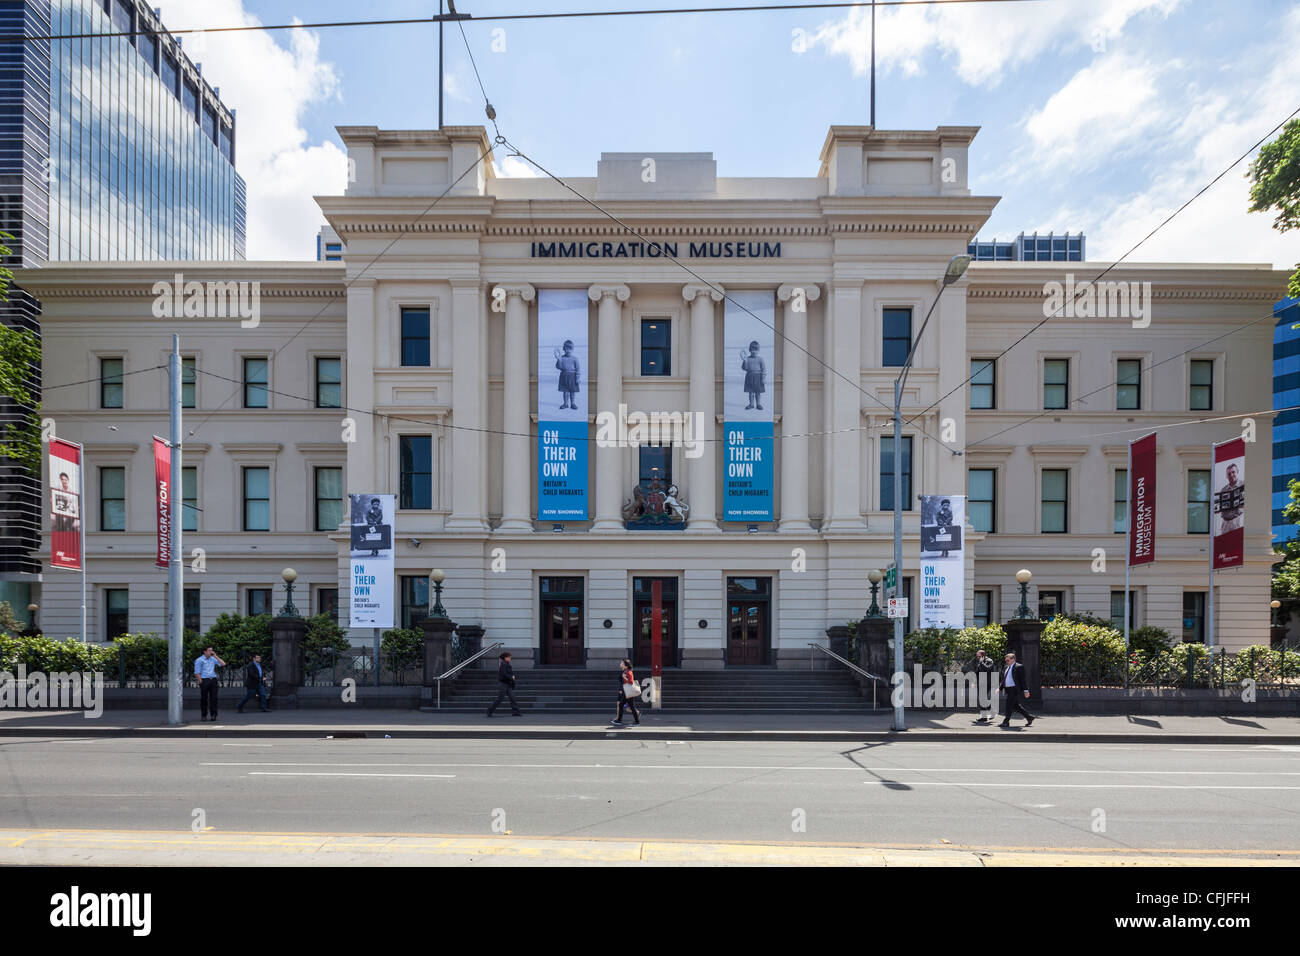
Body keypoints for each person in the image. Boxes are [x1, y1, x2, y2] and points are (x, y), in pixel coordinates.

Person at [998, 652, 1035, 728]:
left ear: (1013, 659)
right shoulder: (1006, 667)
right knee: (1015, 706)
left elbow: (1023, 680)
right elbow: (1004, 679)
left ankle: (1006, 722)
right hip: (1008, 689)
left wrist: (1026, 691)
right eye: (1006, 660)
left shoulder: (1019, 667)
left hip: (1014, 689)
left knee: (1008, 706)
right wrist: (1000, 688)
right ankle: (1029, 717)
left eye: (1008, 660)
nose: (1006, 662)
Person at [193, 645, 226, 721]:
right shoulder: (199, 660)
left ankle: (213, 715)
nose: (211, 652)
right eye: (209, 650)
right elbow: (196, 672)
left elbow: (223, 664)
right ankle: (204, 715)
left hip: (213, 680)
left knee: (214, 698)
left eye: (212, 650)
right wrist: (201, 682)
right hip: (205, 680)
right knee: (204, 699)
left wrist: (216, 656)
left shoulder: (213, 659)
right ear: (205, 651)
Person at [486, 651, 522, 717]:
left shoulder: (506, 664)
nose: (510, 658)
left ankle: (516, 712)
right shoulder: (503, 664)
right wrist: (512, 677)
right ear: (505, 658)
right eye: (509, 657)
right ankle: (489, 711)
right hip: (503, 684)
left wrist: (511, 678)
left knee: (512, 698)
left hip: (508, 684)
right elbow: (504, 674)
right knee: (500, 698)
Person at [610, 658, 641, 726]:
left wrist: (624, 677)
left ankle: (620, 720)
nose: (620, 664)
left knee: (625, 705)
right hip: (626, 691)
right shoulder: (625, 671)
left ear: (626, 665)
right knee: (627, 706)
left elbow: (631, 682)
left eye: (622, 663)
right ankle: (635, 721)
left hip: (627, 691)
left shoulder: (628, 671)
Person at [1215, 463, 1244, 533]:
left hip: (1237, 520)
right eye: (1229, 474)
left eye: (1233, 472)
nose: (1231, 475)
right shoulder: (1223, 489)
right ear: (1226, 476)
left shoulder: (1243, 485)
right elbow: (1219, 505)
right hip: (1225, 522)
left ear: (1237, 472)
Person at [972, 649, 998, 722]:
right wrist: (974, 682)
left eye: (978, 656)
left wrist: (982, 662)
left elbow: (988, 669)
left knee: (982, 699)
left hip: (987, 682)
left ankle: (984, 716)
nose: (977, 657)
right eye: (977, 656)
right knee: (982, 699)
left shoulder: (989, 661)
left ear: (983, 656)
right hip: (981, 683)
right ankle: (992, 711)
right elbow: (978, 673)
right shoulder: (980, 662)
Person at [554, 340, 581, 410]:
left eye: (570, 349)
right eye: (566, 349)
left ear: (572, 349)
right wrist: (559, 360)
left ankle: (573, 403)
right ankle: (565, 404)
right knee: (565, 392)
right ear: (564, 349)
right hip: (564, 376)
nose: (568, 351)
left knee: (572, 391)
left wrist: (578, 378)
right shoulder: (561, 358)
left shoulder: (575, 359)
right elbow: (558, 367)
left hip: (573, 376)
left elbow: (578, 369)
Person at [740, 340, 766, 410]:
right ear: (749, 350)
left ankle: (758, 404)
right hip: (749, 376)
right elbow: (744, 368)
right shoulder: (747, 359)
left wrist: (763, 378)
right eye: (752, 350)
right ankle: (751, 404)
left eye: (756, 350)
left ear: (758, 350)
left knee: (758, 392)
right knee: (751, 392)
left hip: (758, 377)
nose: (754, 351)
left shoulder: (761, 359)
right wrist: (744, 361)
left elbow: (763, 369)